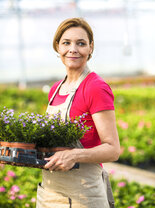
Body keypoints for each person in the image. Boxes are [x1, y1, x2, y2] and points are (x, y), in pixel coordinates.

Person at [36, 18, 120, 208]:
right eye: (66, 43)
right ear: (58, 47)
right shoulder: (56, 89)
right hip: (49, 193)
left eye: (81, 43)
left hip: (84, 195)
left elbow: (113, 149)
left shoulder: (96, 88)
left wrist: (73, 155)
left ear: (90, 48)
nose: (73, 49)